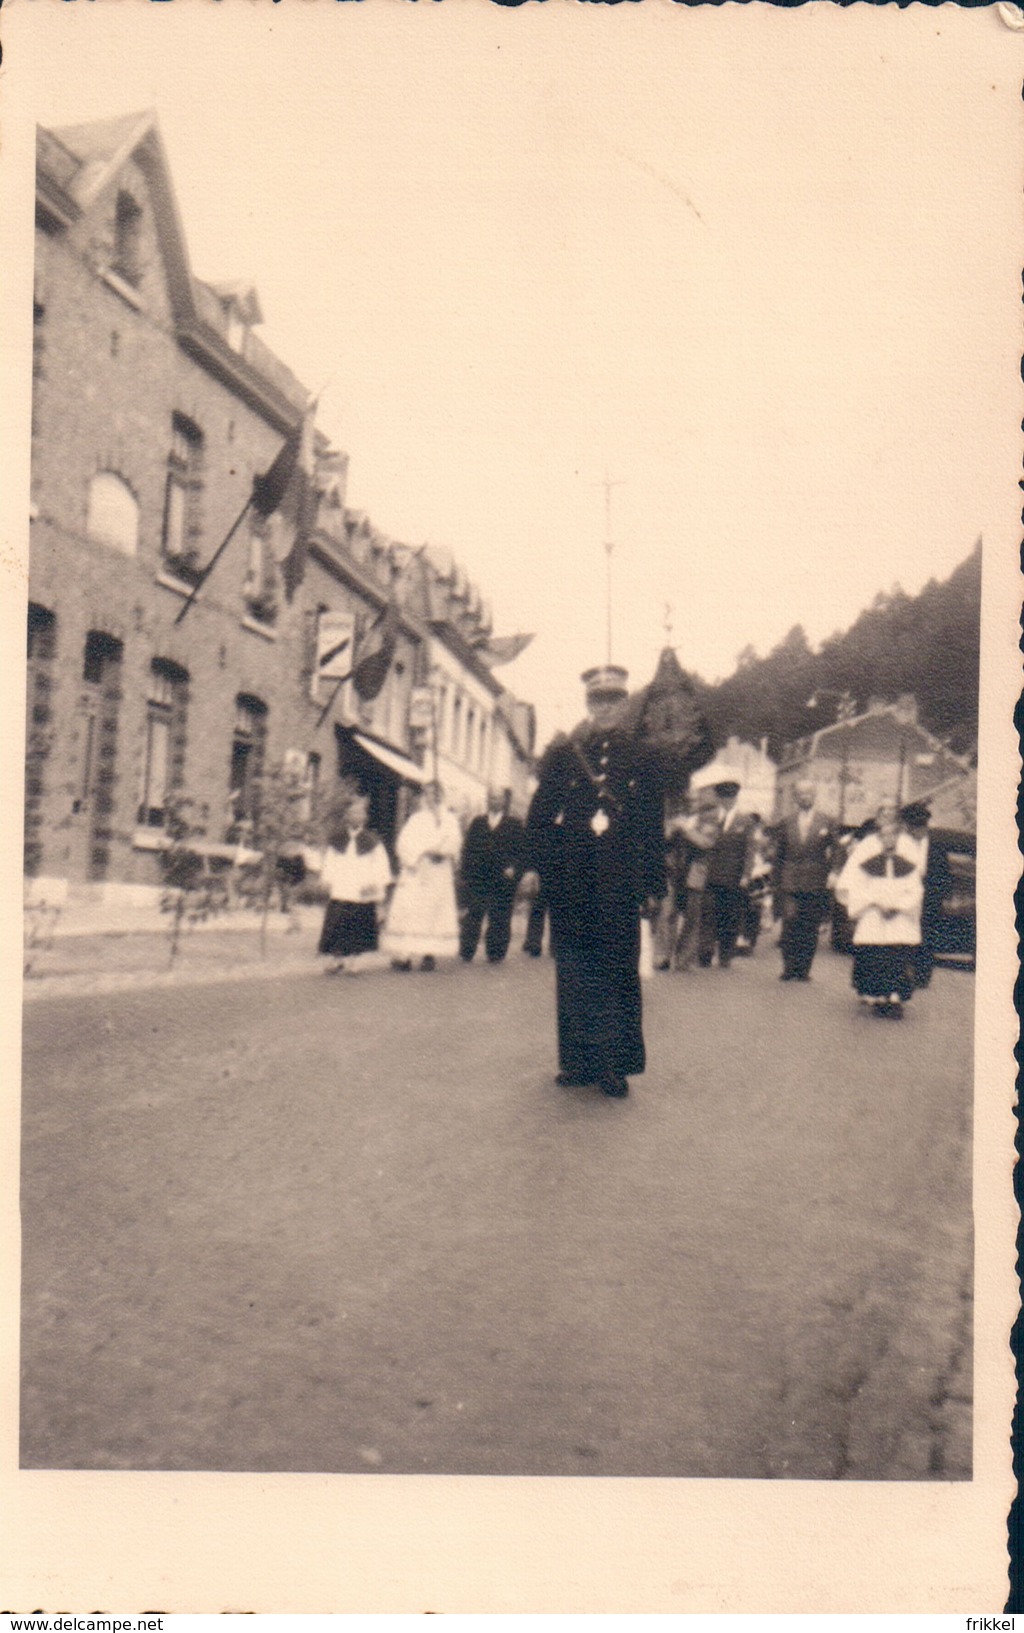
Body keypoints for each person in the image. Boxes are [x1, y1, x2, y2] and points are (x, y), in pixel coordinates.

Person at [524, 664, 666, 1098]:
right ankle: (577, 1061)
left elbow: (651, 824)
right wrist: (536, 866)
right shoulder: (565, 753)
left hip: (620, 879)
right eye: (597, 700)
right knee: (574, 969)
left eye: (613, 700)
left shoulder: (644, 755)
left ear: (625, 704)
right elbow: (541, 813)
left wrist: (653, 885)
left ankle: (613, 1065)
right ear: (587, 704)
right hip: (572, 878)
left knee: (617, 970)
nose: (605, 708)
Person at [834, 798, 923, 1017]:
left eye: (893, 813)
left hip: (900, 917)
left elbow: (915, 887)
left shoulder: (908, 849)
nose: (888, 818)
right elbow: (857, 882)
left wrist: (898, 906)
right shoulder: (868, 848)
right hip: (874, 913)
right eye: (884, 813)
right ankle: (877, 996)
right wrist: (874, 903)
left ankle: (895, 997)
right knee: (876, 956)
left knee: (897, 957)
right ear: (877, 818)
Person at [381, 783, 461, 971]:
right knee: (411, 910)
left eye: (436, 795)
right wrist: (418, 855)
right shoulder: (416, 819)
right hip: (418, 870)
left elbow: (455, 841)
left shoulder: (449, 819)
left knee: (434, 911)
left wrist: (443, 852)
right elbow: (404, 843)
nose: (432, 799)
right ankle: (404, 955)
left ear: (442, 797)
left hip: (438, 871)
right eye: (428, 795)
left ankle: (429, 954)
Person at [314, 794, 394, 973]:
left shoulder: (372, 841)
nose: (355, 817)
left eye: (359, 814)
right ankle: (337, 958)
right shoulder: (337, 839)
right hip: (341, 887)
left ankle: (354, 959)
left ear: (364, 818)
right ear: (346, 817)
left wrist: (375, 885)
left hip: (361, 887)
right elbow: (329, 861)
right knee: (337, 922)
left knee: (358, 923)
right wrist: (326, 880)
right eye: (352, 814)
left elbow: (380, 866)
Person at [771, 777, 836, 982]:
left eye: (808, 793)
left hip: (815, 879)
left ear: (814, 795)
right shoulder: (786, 822)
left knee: (809, 925)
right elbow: (778, 855)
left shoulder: (827, 821)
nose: (804, 797)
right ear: (795, 798)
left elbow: (836, 850)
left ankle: (804, 969)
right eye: (800, 794)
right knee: (790, 923)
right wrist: (777, 881)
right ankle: (789, 968)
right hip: (790, 879)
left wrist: (833, 871)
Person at [459, 788, 528, 964]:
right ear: (487, 800)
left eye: (497, 798)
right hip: (479, 876)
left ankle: (496, 952)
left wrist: (514, 869)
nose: (494, 801)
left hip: (503, 878)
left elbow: (522, 852)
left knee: (500, 916)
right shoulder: (478, 822)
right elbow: (468, 849)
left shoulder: (514, 824)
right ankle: (467, 950)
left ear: (504, 802)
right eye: (491, 798)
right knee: (474, 913)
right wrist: (466, 873)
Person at [699, 780, 756, 968]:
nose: (727, 801)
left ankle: (725, 955)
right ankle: (705, 954)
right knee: (707, 914)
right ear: (718, 798)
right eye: (724, 798)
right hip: (708, 874)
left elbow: (749, 850)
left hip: (733, 877)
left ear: (736, 798)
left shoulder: (746, 821)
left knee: (730, 916)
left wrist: (746, 875)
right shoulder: (708, 818)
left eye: (731, 798)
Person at [900, 801, 947, 988]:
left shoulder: (936, 847)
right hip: (906, 896)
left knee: (927, 936)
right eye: (913, 828)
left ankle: (922, 976)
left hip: (929, 898)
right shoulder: (902, 844)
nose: (917, 833)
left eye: (920, 828)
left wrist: (938, 897)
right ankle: (902, 972)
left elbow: (943, 875)